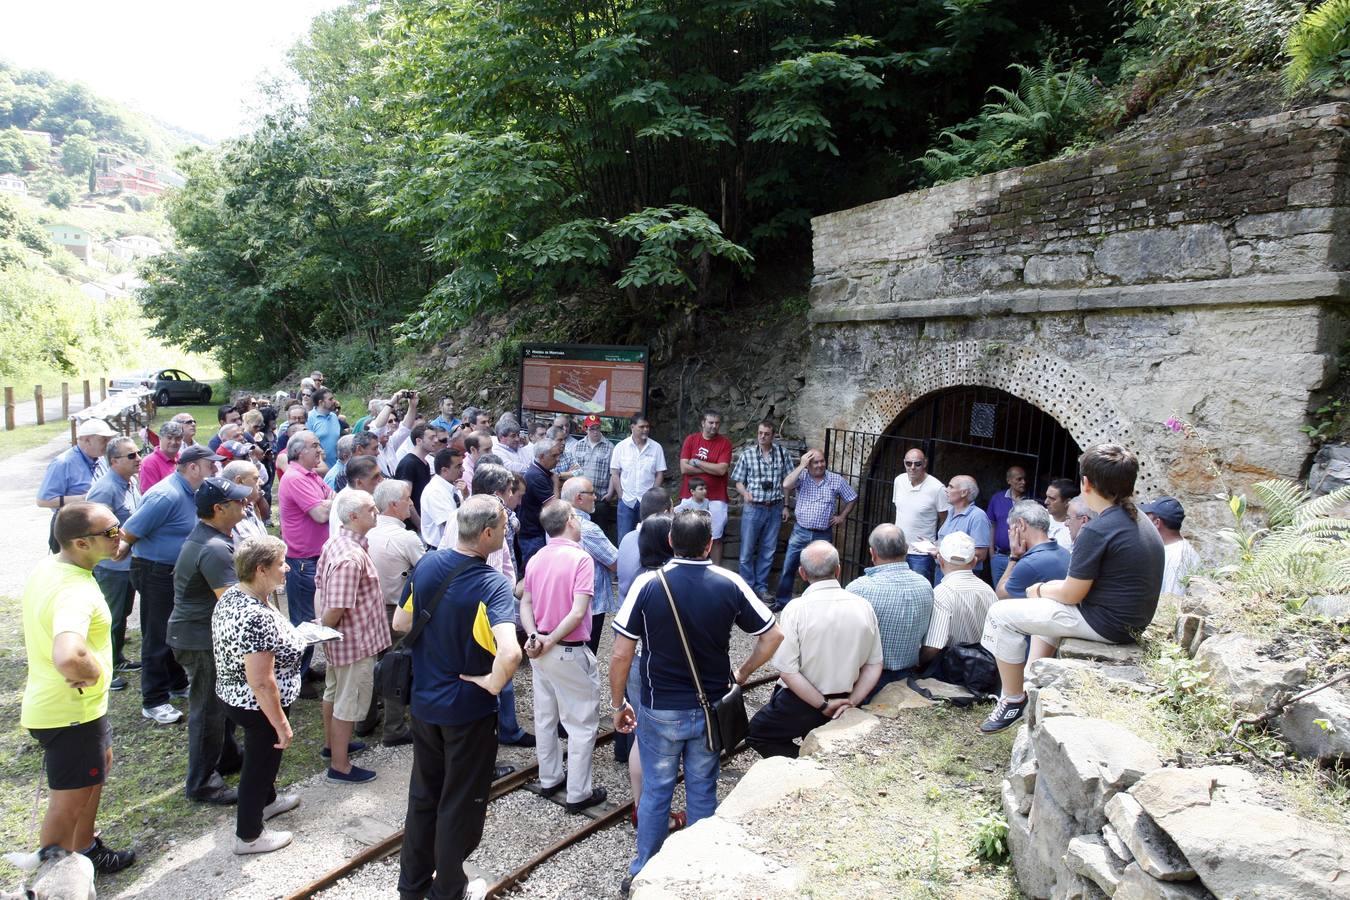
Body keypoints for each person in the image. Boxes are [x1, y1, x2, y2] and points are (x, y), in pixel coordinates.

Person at [610, 509, 782, 891]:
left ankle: (644, 871)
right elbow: (772, 636)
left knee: (656, 790)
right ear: (709, 544)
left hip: (660, 709)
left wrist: (618, 704)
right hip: (710, 710)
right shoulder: (730, 582)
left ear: (671, 541)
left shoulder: (648, 584)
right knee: (703, 787)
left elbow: (621, 654)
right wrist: (742, 672)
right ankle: (698, 873)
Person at [980, 444, 1165, 733]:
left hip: (1106, 623)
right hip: (1129, 620)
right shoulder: (1137, 518)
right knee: (1039, 611)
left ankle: (1012, 698)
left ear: (1086, 483)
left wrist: (1039, 589)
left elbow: (1071, 594)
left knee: (999, 614)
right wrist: (1047, 590)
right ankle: (1031, 679)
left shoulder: (1097, 528)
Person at [394, 495, 522, 900]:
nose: (506, 532)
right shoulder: (492, 585)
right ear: (487, 533)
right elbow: (512, 651)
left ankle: (412, 886)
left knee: (424, 795)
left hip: (425, 704)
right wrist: (492, 683)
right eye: (503, 527)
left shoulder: (429, 563)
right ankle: (449, 890)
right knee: (460, 803)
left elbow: (401, 621)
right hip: (467, 712)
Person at [20, 502, 136, 875]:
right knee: (68, 802)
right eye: (110, 532)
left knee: (97, 771)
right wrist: (97, 672)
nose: (119, 536)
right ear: (81, 544)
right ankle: (51, 882)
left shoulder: (52, 567)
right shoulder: (74, 592)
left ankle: (85, 848)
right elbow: (69, 655)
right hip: (68, 713)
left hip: (75, 710)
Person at [747, 542, 882, 759]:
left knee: (757, 734)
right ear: (838, 570)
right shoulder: (863, 606)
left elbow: (787, 671)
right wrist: (852, 702)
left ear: (802, 573)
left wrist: (824, 704)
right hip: (846, 697)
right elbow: (874, 663)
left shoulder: (797, 608)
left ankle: (803, 764)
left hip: (802, 700)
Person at [119, 445, 223, 725]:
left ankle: (177, 684)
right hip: (154, 571)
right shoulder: (165, 495)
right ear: (192, 468)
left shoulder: (191, 491)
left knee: (174, 629)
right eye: (209, 465)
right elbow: (127, 530)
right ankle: (153, 699)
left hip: (173, 572)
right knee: (157, 633)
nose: (214, 469)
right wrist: (113, 555)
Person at [215, 536, 305, 854]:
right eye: (281, 563)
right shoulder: (256, 618)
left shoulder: (234, 596)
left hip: (232, 694)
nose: (288, 568)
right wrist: (280, 723)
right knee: (259, 766)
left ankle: (267, 802)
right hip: (257, 706)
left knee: (263, 763)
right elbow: (262, 682)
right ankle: (249, 835)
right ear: (261, 569)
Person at [168, 477, 253, 805]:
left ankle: (228, 757)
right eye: (237, 501)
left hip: (205, 635)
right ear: (219, 509)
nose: (244, 504)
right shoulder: (215, 548)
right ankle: (202, 782)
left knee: (220, 702)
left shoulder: (214, 538)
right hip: (198, 639)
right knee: (207, 710)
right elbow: (233, 602)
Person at [520, 500, 607, 813]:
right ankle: (578, 793)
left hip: (539, 648)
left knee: (546, 717)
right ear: (571, 520)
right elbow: (578, 612)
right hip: (566, 648)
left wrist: (535, 637)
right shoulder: (581, 559)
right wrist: (550, 639)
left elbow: (525, 603)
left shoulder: (536, 557)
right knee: (581, 722)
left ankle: (549, 777)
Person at [316, 490, 390, 783]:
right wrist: (325, 625)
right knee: (349, 701)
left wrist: (323, 629)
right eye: (371, 509)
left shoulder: (337, 542)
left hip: (340, 641)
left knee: (333, 693)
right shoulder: (350, 556)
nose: (377, 511)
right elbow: (336, 606)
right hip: (353, 643)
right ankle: (340, 766)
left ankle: (332, 745)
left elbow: (320, 586)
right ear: (353, 516)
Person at [469, 463, 535, 749]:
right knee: (501, 664)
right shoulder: (490, 521)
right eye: (509, 491)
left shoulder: (467, 514)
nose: (512, 498)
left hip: (489, 600)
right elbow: (494, 571)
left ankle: (502, 728)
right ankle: (497, 733)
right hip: (488, 605)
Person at [365, 479, 425, 747]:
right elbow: (425, 571)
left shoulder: (365, 532)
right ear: (393, 504)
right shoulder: (406, 538)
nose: (411, 503)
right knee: (397, 666)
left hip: (367, 609)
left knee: (369, 664)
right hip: (396, 610)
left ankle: (363, 721)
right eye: (406, 498)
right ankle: (394, 727)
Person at [844, 524, 933, 694]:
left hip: (865, 680)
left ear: (873, 553)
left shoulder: (858, 589)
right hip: (909, 677)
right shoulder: (925, 585)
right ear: (906, 549)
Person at [277, 430, 334, 682]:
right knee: (303, 620)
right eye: (315, 445)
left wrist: (328, 502)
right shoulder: (295, 478)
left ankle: (304, 670)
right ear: (301, 452)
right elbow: (321, 514)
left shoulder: (311, 475)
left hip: (314, 557)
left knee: (310, 615)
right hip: (303, 561)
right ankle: (297, 677)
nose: (320, 450)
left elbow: (332, 499)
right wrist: (328, 503)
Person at [85, 436, 142, 691]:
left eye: (138, 453)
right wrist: (120, 545)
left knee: (122, 614)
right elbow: (94, 526)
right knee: (110, 617)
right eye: (131, 455)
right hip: (112, 565)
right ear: (114, 461)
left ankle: (116, 658)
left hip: (126, 563)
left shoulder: (130, 482)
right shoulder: (106, 488)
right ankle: (102, 671)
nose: (138, 458)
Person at [775, 449, 857, 608]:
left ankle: (814, 604)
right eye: (815, 462)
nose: (820, 465)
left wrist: (842, 516)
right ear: (808, 464)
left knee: (821, 571)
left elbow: (852, 497)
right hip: (800, 531)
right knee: (789, 567)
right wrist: (801, 465)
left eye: (822, 461)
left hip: (823, 535)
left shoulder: (835, 480)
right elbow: (786, 484)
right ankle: (782, 602)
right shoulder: (802, 476)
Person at [731, 420, 794, 601]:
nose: (762, 437)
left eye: (766, 434)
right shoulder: (748, 454)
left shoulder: (782, 454)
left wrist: (786, 506)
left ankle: (761, 587)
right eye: (760, 433)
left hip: (774, 507)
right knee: (746, 551)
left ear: (773, 436)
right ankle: (747, 589)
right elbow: (738, 481)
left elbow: (788, 483)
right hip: (753, 507)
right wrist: (745, 494)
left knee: (768, 550)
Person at [37, 418, 116, 553]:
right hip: (73, 530)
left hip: (96, 526)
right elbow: (43, 500)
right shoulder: (63, 463)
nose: (108, 444)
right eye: (103, 440)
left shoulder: (102, 459)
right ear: (86, 440)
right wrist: (83, 499)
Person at [919, 532, 998, 666]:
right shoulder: (989, 591)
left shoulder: (942, 593)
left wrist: (918, 663)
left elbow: (934, 645)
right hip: (985, 669)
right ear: (974, 562)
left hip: (951, 671)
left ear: (940, 560)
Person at [561, 477, 619, 656]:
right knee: (586, 656)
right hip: (590, 604)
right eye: (592, 493)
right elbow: (616, 563)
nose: (596, 497)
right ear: (579, 497)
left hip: (564, 599)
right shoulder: (587, 528)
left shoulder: (555, 521)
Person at [678, 410, 732, 564]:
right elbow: (684, 468)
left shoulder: (724, 443)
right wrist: (711, 468)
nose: (714, 426)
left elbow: (722, 470)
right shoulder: (691, 440)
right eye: (711, 422)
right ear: (703, 423)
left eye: (717, 423)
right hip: (690, 495)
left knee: (715, 536)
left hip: (716, 497)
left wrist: (698, 462)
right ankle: (686, 566)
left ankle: (715, 571)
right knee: (686, 532)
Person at [891, 448, 950, 583]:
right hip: (899, 549)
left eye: (917, 464)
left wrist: (935, 544)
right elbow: (900, 510)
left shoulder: (937, 488)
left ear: (925, 463)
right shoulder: (899, 481)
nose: (912, 467)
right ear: (904, 463)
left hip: (921, 553)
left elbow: (945, 520)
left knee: (919, 590)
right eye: (908, 463)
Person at [996, 500, 1071, 600]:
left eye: (1012, 529)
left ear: (1021, 524)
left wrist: (1014, 557)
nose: (1010, 534)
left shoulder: (1029, 563)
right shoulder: (1066, 553)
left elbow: (1001, 595)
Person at [609, 414, 667, 541]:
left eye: (647, 427)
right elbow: (615, 473)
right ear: (632, 427)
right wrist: (621, 495)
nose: (645, 429)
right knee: (624, 539)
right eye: (642, 427)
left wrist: (652, 496)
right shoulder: (621, 447)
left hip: (648, 502)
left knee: (648, 539)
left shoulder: (656, 448)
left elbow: (659, 473)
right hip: (626, 501)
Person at [617, 488, 671, 606]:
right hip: (643, 611)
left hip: (623, 607)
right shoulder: (660, 542)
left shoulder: (627, 537)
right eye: (673, 511)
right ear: (666, 513)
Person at [934, 475, 991, 584]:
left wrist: (943, 552)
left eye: (951, 487)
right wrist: (932, 545)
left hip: (962, 577)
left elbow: (980, 554)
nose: (946, 490)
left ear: (964, 493)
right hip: (942, 570)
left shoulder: (978, 516)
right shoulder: (950, 511)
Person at [1141, 496, 1202, 597]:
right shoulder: (1170, 549)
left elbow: (1171, 602)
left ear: (1157, 522)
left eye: (1147, 517)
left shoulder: (1178, 559)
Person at [516, 437, 560, 567]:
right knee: (533, 572)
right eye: (554, 455)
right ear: (541, 456)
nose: (558, 459)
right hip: (532, 535)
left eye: (558, 454)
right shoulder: (536, 476)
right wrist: (556, 484)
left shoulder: (542, 472)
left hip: (536, 532)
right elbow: (554, 508)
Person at [394, 423, 448, 527]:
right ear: (418, 441)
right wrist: (420, 525)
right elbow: (405, 498)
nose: (436, 440)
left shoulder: (425, 463)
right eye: (432, 438)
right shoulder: (408, 464)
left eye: (436, 437)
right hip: (414, 525)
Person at [571, 414, 615, 535]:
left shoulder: (610, 447)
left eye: (597, 428)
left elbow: (613, 473)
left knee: (600, 532)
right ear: (586, 429)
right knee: (579, 532)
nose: (595, 431)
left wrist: (610, 493)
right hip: (580, 498)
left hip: (600, 497)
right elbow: (572, 470)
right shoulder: (577, 446)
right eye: (592, 428)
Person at [987, 466, 1030, 586]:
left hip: (1022, 557)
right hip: (999, 556)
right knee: (998, 591)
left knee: (1015, 592)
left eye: (1024, 479)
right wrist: (991, 554)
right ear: (1009, 480)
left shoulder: (1030, 501)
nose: (1023, 482)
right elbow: (992, 525)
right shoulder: (997, 499)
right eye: (1019, 479)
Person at [329, 455, 386, 540]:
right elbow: (345, 540)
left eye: (380, 474)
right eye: (375, 476)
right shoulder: (346, 503)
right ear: (359, 482)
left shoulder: (362, 496)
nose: (382, 479)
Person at [420, 448, 464, 550]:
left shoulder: (452, 485)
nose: (463, 470)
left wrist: (465, 495)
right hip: (441, 551)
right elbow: (452, 525)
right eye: (458, 466)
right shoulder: (435, 492)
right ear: (444, 470)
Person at [224, 460, 270, 544]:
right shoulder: (229, 516)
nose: (261, 482)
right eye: (255, 479)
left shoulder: (248, 506)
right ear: (239, 481)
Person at [139, 421, 184, 493]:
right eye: (169, 438)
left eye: (178, 438)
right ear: (160, 438)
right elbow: (150, 497)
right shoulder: (149, 463)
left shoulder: (183, 458)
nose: (173, 442)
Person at [308, 388, 342, 468]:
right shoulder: (309, 418)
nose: (334, 401)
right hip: (319, 467)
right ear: (321, 402)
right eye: (330, 399)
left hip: (336, 465)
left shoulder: (334, 416)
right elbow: (307, 443)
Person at [1045, 478, 1078, 550]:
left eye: (1052, 498)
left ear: (1067, 502)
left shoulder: (1074, 529)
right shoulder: (1039, 516)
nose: (1046, 502)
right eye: (1047, 496)